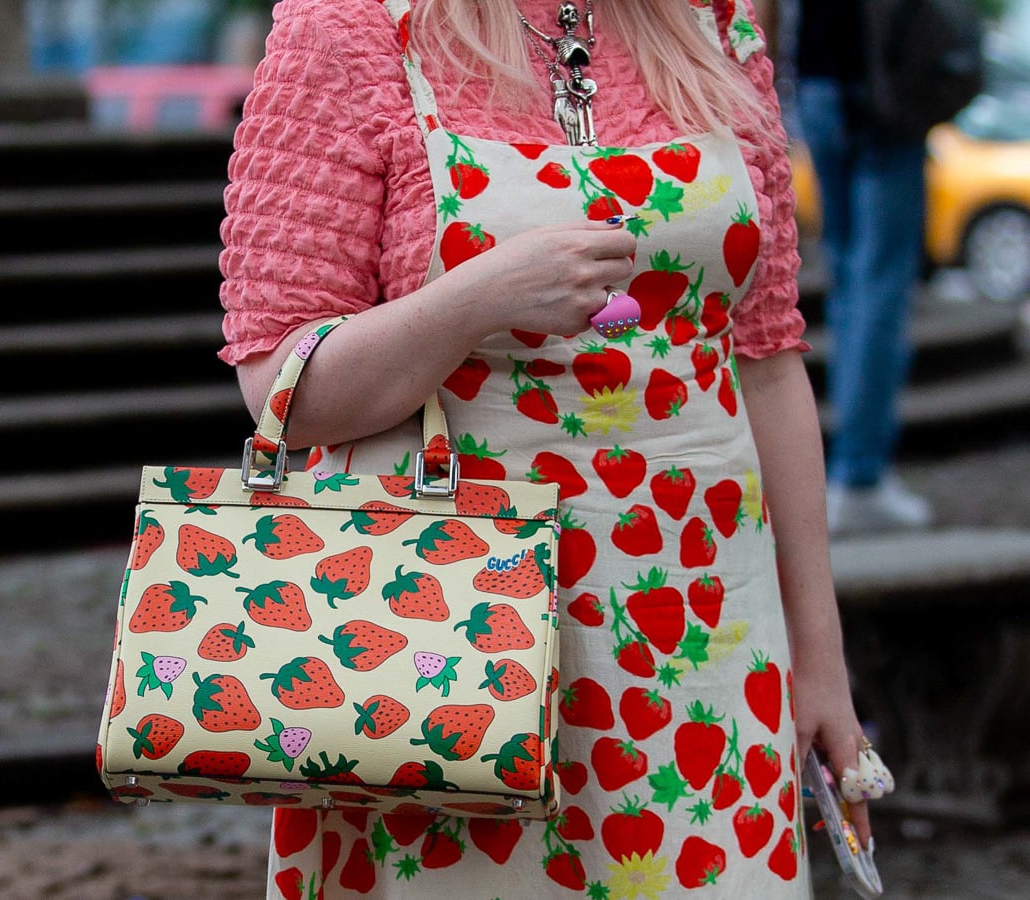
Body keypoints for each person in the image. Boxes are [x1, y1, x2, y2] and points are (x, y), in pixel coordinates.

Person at [220, 0, 881, 895]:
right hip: (444, 639)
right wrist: (475, 301)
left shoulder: (712, 25)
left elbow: (765, 361)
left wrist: (822, 667)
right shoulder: (354, 28)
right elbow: (282, 392)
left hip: (709, 638)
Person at [791, 0, 934, 535]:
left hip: (819, 85)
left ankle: (853, 469)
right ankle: (861, 473)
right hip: (880, 91)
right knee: (879, 288)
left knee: (854, 283)